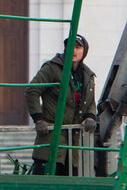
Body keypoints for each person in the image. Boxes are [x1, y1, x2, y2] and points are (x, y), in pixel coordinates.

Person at [25, 33, 96, 176]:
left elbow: (90, 102)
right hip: (51, 140)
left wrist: (90, 117)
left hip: (74, 145)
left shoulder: (87, 75)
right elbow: (32, 90)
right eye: (70, 47)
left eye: (78, 47)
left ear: (85, 50)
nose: (74, 51)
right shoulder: (52, 68)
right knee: (43, 184)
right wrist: (38, 119)